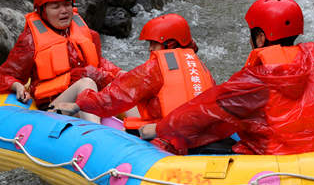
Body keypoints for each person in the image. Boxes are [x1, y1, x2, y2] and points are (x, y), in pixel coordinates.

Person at [149, 0, 314, 155]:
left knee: (194, 143)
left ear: (260, 38)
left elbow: (204, 111)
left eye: (252, 33)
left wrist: (159, 129)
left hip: (280, 156)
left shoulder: (256, 80)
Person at [62, 13, 215, 134]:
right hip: (196, 132)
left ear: (171, 44)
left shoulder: (157, 67)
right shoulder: (198, 65)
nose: (150, 48)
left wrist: (80, 104)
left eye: (154, 43)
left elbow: (115, 97)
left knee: (126, 129)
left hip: (166, 136)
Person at [0, 0, 122, 123]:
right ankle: (97, 135)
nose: (64, 11)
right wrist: (18, 86)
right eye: (56, 7)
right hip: (53, 105)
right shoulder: (30, 41)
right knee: (86, 82)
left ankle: (147, 130)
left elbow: (98, 62)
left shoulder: (87, 33)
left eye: (67, 5)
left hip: (85, 103)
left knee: (126, 83)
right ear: (42, 11)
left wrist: (119, 73)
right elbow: (6, 75)